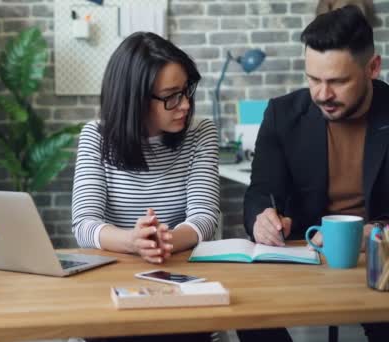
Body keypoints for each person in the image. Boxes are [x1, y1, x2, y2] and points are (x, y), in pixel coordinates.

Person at [241, 5, 389, 342]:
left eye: (338, 81)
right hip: (304, 258)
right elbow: (260, 192)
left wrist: (376, 235)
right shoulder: (282, 114)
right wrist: (263, 218)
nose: (322, 94)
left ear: (373, 68)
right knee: (250, 316)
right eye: (314, 79)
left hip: (379, 262)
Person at [71, 32, 219, 342]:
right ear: (135, 99)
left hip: (182, 288)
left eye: (186, 90)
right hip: (110, 290)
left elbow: (205, 216)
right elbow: (85, 224)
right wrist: (132, 241)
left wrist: (164, 240)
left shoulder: (201, 134)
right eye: (171, 96)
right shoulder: (96, 137)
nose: (185, 105)